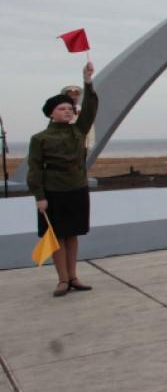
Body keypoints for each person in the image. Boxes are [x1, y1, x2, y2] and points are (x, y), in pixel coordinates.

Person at [29, 62, 97, 296]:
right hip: (53, 192)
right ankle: (62, 279)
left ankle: (74, 276)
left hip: (77, 188)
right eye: (62, 108)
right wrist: (39, 196)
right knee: (57, 236)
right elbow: (35, 169)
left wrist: (87, 82)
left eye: (70, 108)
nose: (68, 111)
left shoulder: (78, 131)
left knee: (73, 234)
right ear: (51, 113)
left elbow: (90, 108)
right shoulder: (40, 138)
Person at [59, 84, 96, 155]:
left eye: (76, 95)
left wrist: (90, 145)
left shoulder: (84, 111)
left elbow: (90, 128)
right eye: (71, 95)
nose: (74, 97)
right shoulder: (59, 111)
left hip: (81, 147)